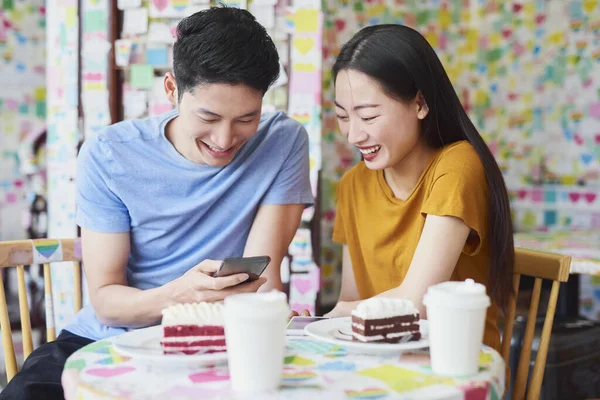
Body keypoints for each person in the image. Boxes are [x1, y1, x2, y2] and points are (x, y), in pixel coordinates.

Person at [1, 7, 313, 400]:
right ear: (171, 90)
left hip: (222, 340)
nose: (225, 139)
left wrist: (272, 318)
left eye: (246, 119)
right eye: (208, 116)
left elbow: (260, 279)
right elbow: (107, 303)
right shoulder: (110, 154)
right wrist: (177, 295)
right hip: (109, 339)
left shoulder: (283, 142)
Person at [326, 24, 514, 352]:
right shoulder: (353, 185)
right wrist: (320, 321)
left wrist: (341, 315)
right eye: (343, 117)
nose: (353, 135)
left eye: (368, 117)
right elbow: (351, 300)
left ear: (420, 104)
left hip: (455, 363)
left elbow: (418, 304)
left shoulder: (457, 166)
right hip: (383, 360)